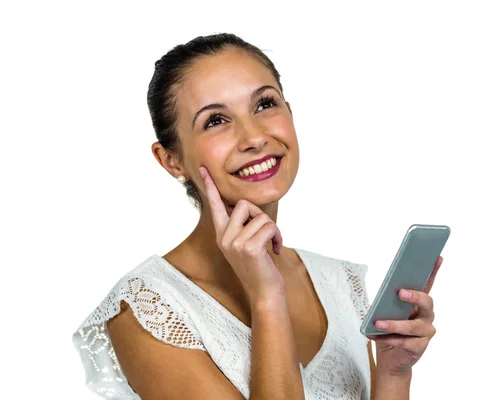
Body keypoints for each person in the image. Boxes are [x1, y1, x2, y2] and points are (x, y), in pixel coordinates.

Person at [72, 33, 443, 400]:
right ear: (171, 160)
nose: (253, 137)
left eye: (265, 104)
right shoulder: (150, 308)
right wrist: (267, 297)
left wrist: (395, 374)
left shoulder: (340, 283)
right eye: (216, 120)